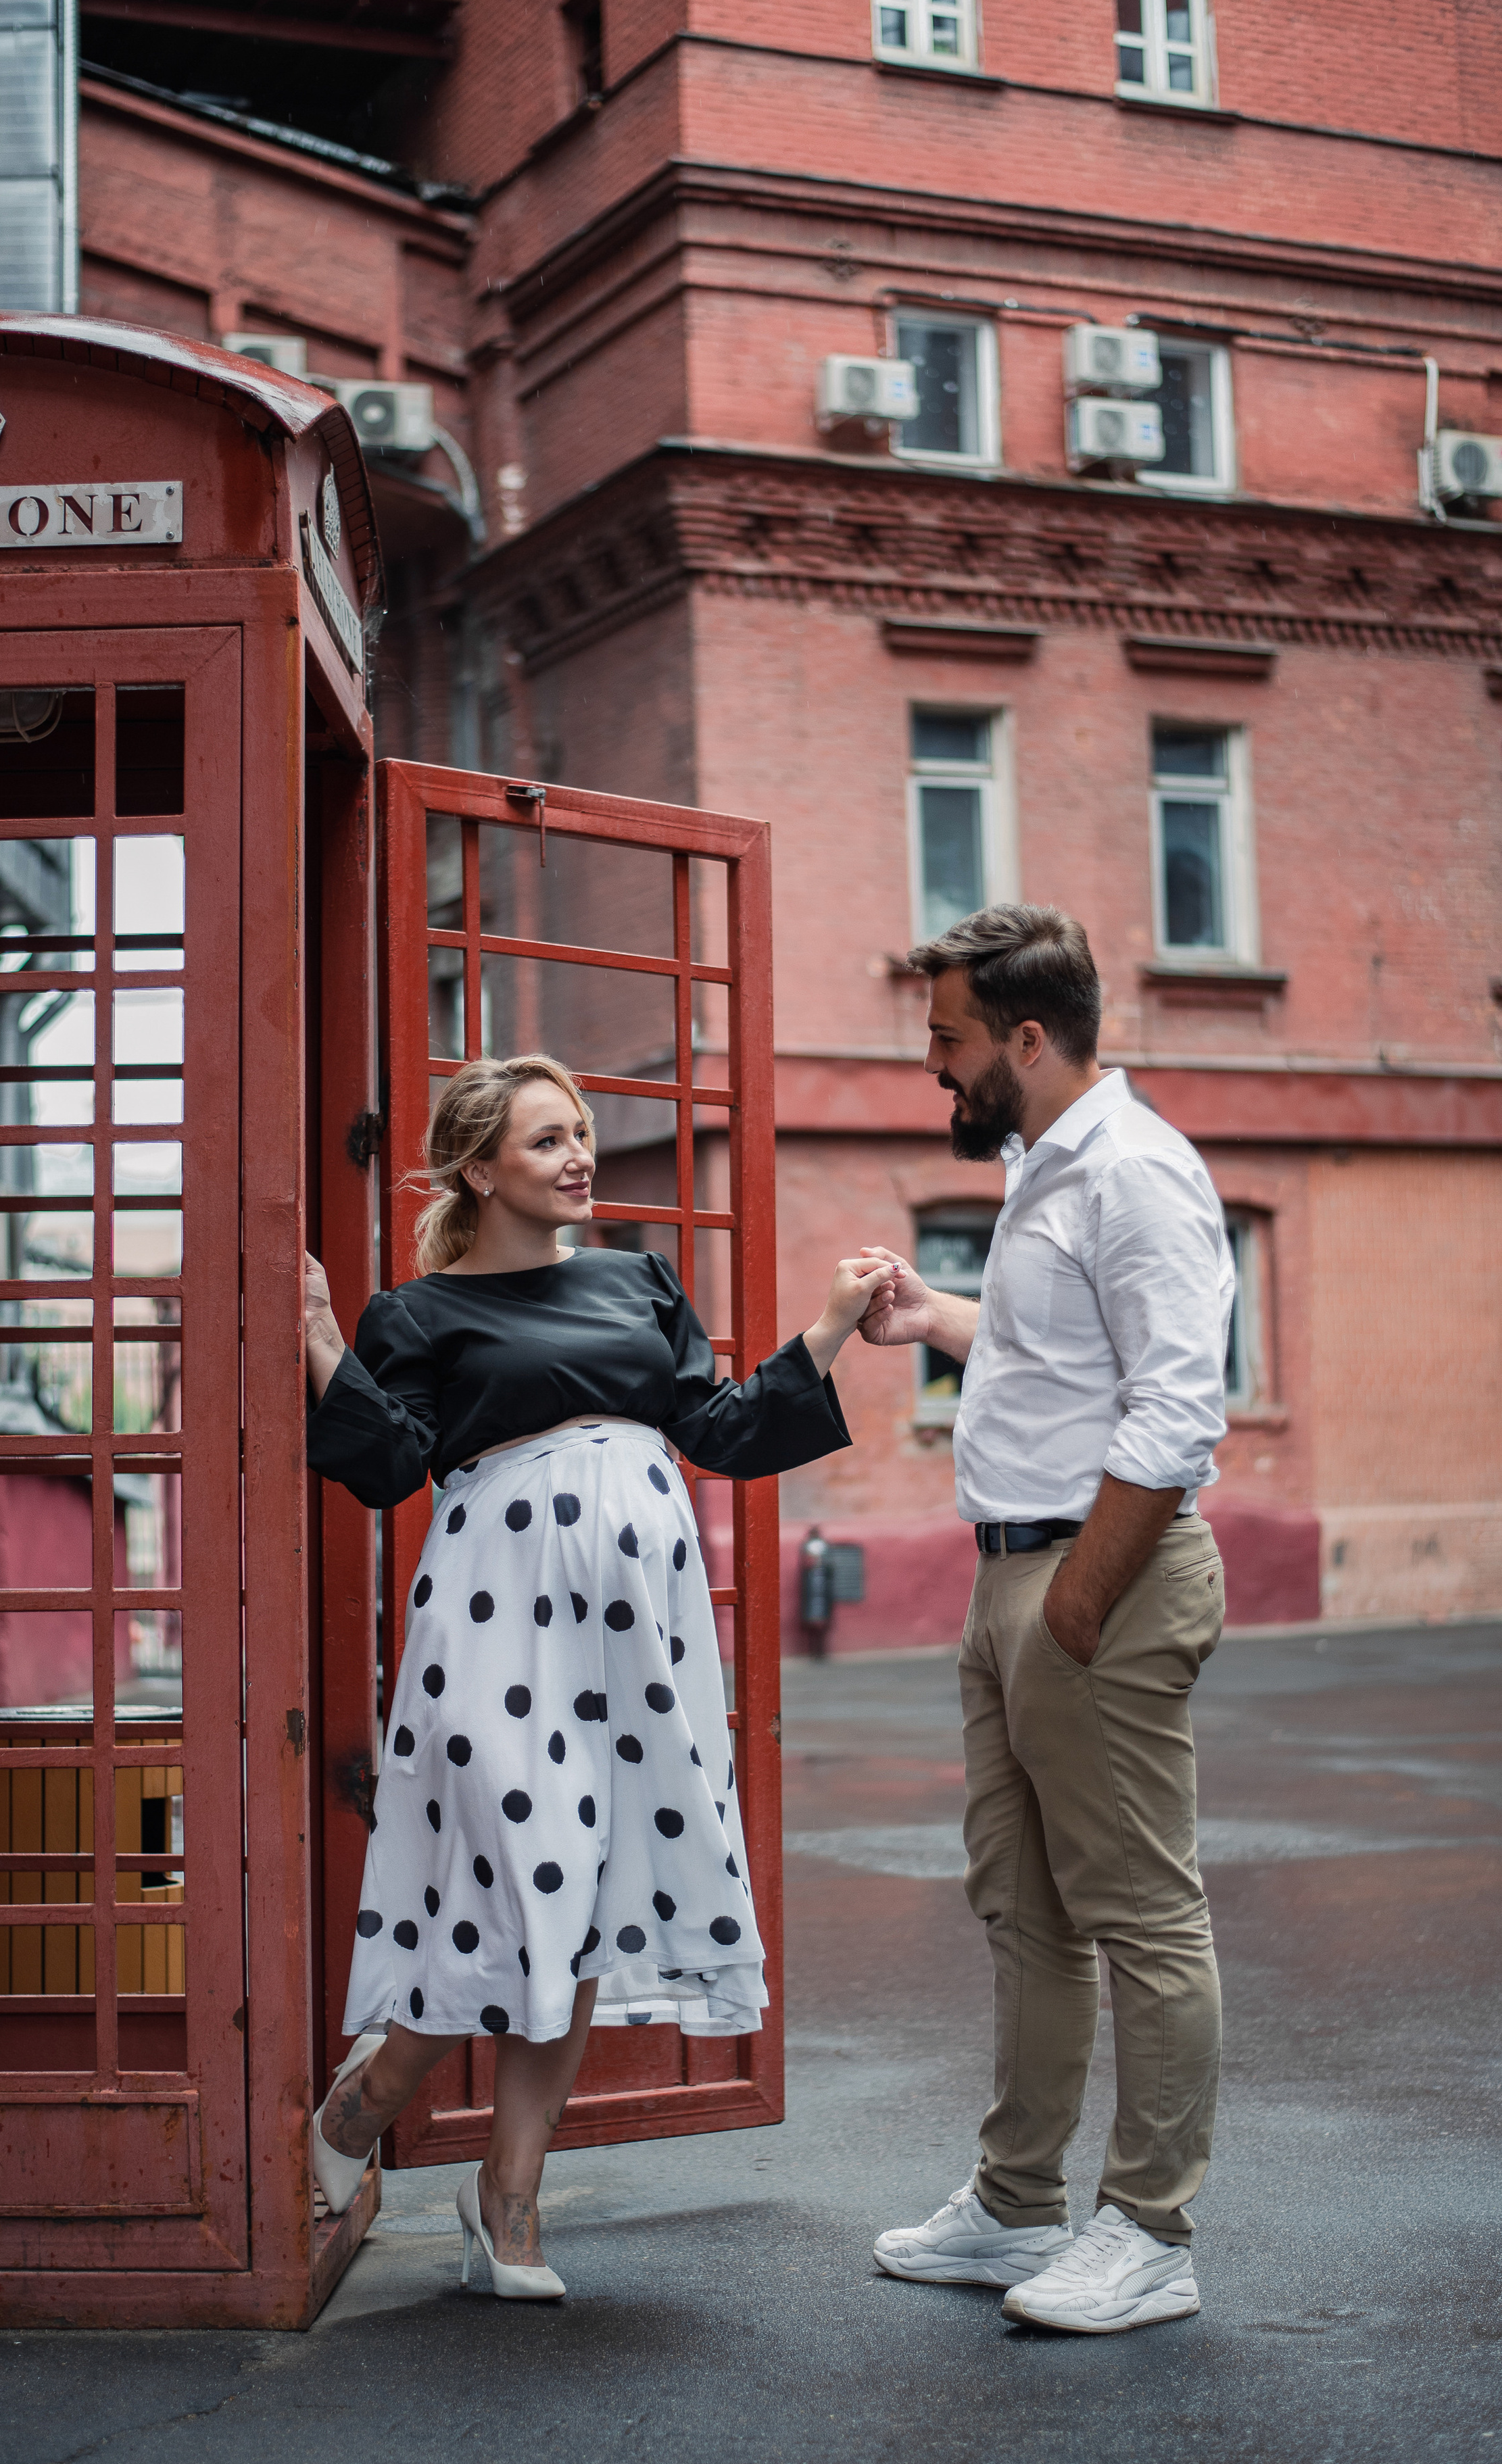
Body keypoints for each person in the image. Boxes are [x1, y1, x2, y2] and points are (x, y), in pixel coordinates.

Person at [304, 1052, 890, 2300]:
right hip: (495, 1623)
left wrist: (828, 1327)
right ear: (480, 1168)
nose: (579, 1155)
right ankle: (386, 2086)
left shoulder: (637, 1282)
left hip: (637, 1641)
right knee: (529, 1866)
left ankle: (505, 2201)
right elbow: (389, 1467)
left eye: (580, 1132)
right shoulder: (416, 1314)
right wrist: (316, 1339)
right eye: (546, 1140)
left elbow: (721, 1430)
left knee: (584, 1884)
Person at [858, 904, 1232, 2336]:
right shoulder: (1043, 1162)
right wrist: (933, 1317)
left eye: (948, 1040)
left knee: (1139, 1909)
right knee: (1023, 1906)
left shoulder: (1134, 1171)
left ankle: (1148, 2227)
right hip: (1009, 1570)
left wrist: (1075, 1601)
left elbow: (1173, 1405)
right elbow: (1053, 1350)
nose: (934, 1068)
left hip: (1096, 1578)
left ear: (1025, 1036)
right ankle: (1015, 2202)